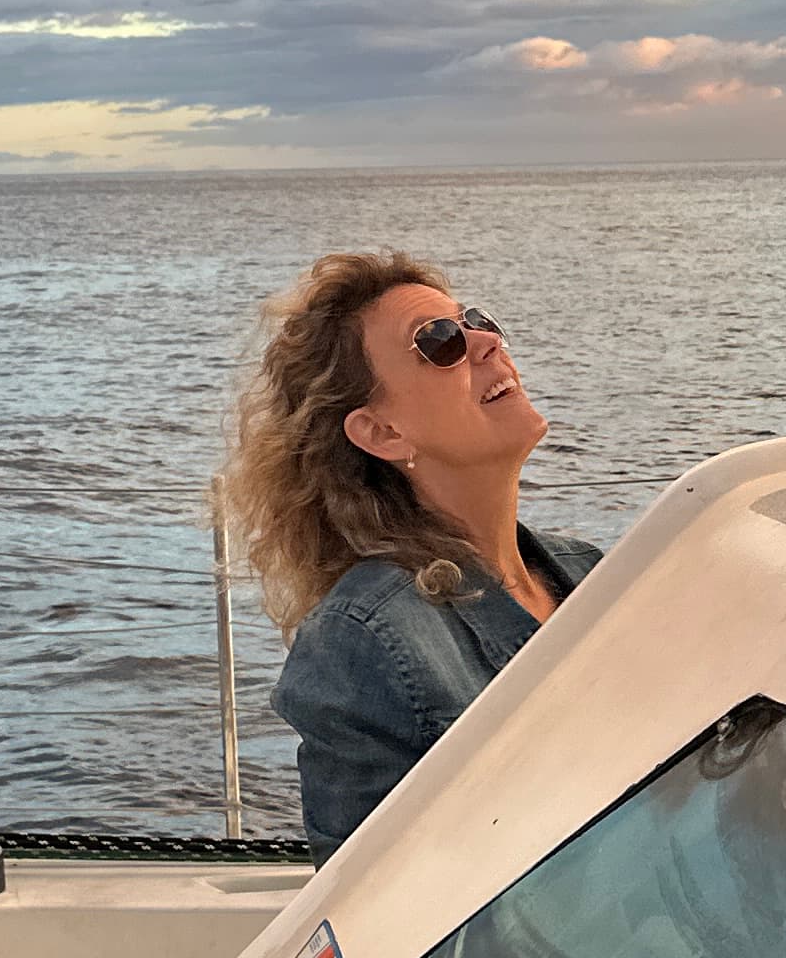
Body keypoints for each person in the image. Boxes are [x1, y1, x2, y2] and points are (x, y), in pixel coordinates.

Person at [221, 248, 600, 865]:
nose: (486, 342)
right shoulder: (364, 639)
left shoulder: (589, 571)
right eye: (440, 341)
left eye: (476, 321)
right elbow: (373, 902)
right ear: (382, 433)